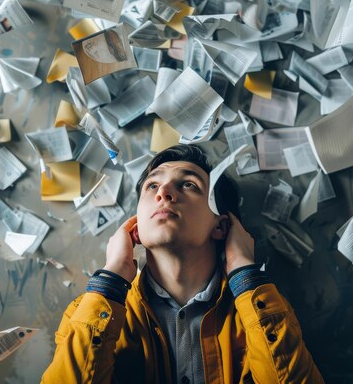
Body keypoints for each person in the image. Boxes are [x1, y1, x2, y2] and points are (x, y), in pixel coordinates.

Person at [41, 145, 324, 384]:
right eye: (153, 185)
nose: (163, 193)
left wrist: (244, 272)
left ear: (221, 226)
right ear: (136, 229)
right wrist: (111, 277)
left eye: (188, 184)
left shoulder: (259, 311)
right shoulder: (89, 312)